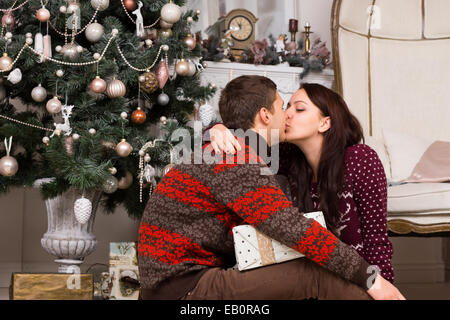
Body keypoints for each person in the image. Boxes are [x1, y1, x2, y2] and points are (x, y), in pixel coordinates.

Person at [138, 75, 405, 300]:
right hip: (182, 288)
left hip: (182, 281)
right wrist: (373, 281)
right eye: (282, 106)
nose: (287, 115)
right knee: (311, 272)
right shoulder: (236, 158)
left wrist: (218, 127)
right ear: (265, 115)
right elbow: (295, 229)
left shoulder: (255, 154)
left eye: (297, 109)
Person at [208, 82, 395, 283]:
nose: (287, 114)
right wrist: (217, 128)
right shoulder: (288, 159)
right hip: (309, 282)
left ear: (325, 123)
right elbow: (242, 142)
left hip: (357, 282)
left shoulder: (360, 158)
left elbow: (377, 241)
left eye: (299, 109)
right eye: (287, 107)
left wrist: (382, 288)